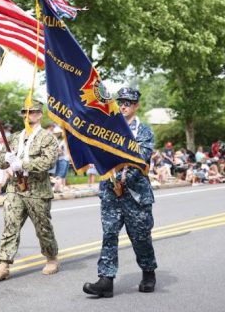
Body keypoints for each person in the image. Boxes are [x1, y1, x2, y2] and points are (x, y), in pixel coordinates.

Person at [84, 87, 157, 298]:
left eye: (128, 102)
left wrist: (123, 178)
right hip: (110, 192)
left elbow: (140, 159)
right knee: (109, 235)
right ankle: (106, 280)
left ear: (136, 105)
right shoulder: (107, 129)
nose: (124, 105)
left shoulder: (144, 131)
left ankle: (148, 271)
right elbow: (96, 152)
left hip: (135, 193)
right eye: (121, 102)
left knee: (140, 237)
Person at [0, 100, 60, 281]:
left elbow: (49, 162)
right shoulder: (14, 137)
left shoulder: (47, 137)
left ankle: (51, 258)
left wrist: (23, 163)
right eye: (25, 112)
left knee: (43, 228)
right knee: (10, 225)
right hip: (15, 187)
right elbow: (0, 162)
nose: (29, 115)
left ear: (40, 114)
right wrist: (6, 158)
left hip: (37, 189)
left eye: (33, 112)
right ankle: (4, 264)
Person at [52, 126, 70, 193]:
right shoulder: (56, 140)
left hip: (65, 158)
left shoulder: (61, 140)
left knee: (63, 174)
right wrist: (61, 153)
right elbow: (58, 148)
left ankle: (61, 186)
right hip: (62, 158)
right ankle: (57, 187)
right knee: (60, 174)